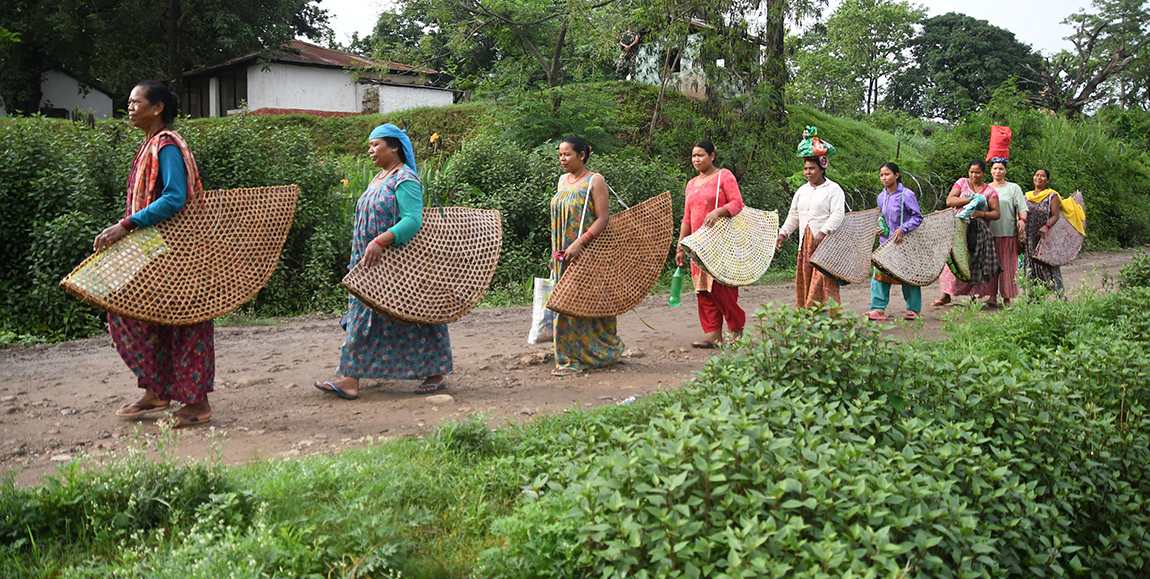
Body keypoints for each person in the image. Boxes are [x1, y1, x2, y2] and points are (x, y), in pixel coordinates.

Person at [93, 80, 214, 428]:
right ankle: (157, 390)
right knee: (132, 314)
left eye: (136, 102)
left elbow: (175, 198)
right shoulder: (149, 145)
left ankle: (197, 403)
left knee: (184, 321)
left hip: (177, 250)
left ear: (157, 107)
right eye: (128, 102)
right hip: (152, 248)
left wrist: (127, 225)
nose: (129, 107)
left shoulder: (167, 145)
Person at [314, 124, 451, 399]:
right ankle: (352, 378)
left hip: (394, 261)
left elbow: (413, 221)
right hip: (368, 261)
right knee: (366, 314)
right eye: (369, 145)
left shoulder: (406, 179)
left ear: (394, 147)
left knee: (413, 314)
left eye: (376, 144)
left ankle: (431, 371)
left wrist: (380, 241)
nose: (370, 150)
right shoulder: (378, 178)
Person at [550, 136, 625, 376]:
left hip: (588, 252)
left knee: (591, 302)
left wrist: (580, 243)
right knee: (565, 303)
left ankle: (598, 353)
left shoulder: (595, 180)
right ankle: (569, 356)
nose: (562, 158)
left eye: (567, 154)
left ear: (582, 155)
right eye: (560, 154)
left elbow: (603, 218)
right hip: (563, 251)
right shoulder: (562, 181)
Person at [675, 140, 746, 348]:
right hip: (697, 246)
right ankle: (713, 334)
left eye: (701, 155)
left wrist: (718, 211)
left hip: (721, 244)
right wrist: (681, 246)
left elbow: (737, 203)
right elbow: (687, 218)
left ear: (712, 156)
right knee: (703, 291)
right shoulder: (691, 184)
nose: (696, 159)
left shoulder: (724, 176)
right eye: (693, 156)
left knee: (723, 290)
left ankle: (736, 331)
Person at [777, 156, 846, 308]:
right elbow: (794, 216)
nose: (808, 172)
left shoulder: (833, 189)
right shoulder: (802, 191)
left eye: (812, 168)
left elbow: (838, 213)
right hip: (806, 245)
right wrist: (783, 233)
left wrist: (823, 231)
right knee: (807, 279)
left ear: (822, 169)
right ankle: (808, 317)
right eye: (806, 168)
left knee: (824, 281)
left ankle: (828, 318)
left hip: (826, 245)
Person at [932, 159, 1001, 307]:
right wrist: (971, 199)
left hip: (979, 232)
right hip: (958, 229)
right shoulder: (962, 183)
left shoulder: (990, 191)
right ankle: (946, 295)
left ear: (984, 173)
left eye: (978, 172)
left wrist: (981, 214)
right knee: (954, 259)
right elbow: (950, 201)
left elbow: (996, 213)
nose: (974, 175)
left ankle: (974, 298)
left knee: (975, 263)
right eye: (971, 172)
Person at [867, 162, 924, 321]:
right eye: (881, 175)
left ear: (896, 175)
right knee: (879, 275)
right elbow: (882, 217)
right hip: (885, 244)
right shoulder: (881, 197)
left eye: (887, 174)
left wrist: (902, 229)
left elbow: (917, 217)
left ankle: (913, 310)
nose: (884, 178)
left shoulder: (908, 195)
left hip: (905, 244)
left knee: (909, 276)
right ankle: (878, 309)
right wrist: (880, 227)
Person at [1021, 168, 1072, 295]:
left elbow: (1055, 215)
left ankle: (1059, 296)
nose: (1039, 178)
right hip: (1028, 236)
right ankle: (1033, 296)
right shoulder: (1026, 196)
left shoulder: (1052, 196)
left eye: (1042, 176)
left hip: (1043, 236)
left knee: (1048, 265)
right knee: (1029, 265)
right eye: (1037, 175)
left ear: (1047, 180)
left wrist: (1046, 226)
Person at [986, 158, 1027, 308]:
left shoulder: (1013, 188)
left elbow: (1022, 206)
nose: (997, 171)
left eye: (1001, 169)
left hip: (1008, 233)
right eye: (995, 168)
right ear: (990, 171)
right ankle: (991, 297)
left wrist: (1022, 219)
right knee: (990, 266)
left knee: (1008, 267)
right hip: (989, 233)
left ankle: (1007, 298)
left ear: (1006, 171)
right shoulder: (986, 188)